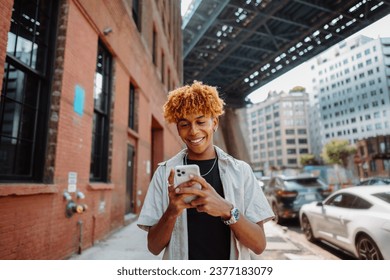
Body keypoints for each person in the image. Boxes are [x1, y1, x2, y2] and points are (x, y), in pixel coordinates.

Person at [137, 81, 274, 260]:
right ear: (178, 129)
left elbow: (259, 245)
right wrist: (172, 211)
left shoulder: (241, 171)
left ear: (214, 123)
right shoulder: (164, 174)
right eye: (184, 124)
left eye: (201, 121)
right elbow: (154, 247)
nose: (193, 131)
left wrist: (227, 210)